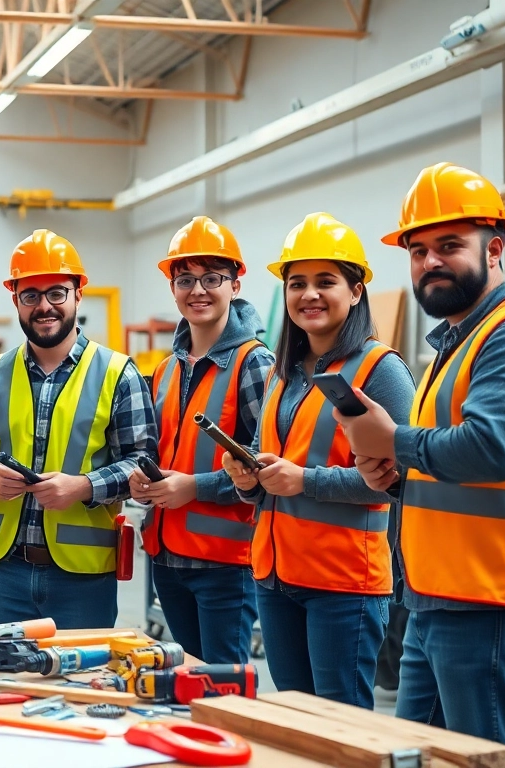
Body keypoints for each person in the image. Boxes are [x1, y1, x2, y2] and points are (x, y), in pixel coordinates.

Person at [338, 163, 505, 768]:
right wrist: (397, 480)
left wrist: (395, 441)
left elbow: (490, 451)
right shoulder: (458, 342)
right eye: (418, 249)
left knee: (479, 759)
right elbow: (448, 461)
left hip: (493, 599)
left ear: (495, 247)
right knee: (423, 758)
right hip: (439, 596)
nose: (430, 262)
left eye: (449, 245)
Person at [221, 212, 415, 709]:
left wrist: (302, 480)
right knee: (296, 718)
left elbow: (398, 481)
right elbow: (274, 481)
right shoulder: (282, 374)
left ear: (355, 291)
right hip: (276, 576)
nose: (309, 294)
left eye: (325, 282)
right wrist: (248, 479)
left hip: (343, 581)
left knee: (342, 721)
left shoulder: (381, 370)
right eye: (297, 283)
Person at [0, 229, 156, 629]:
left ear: (78, 294)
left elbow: (143, 463)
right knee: (1, 685)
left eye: (56, 293)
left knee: (83, 685)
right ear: (16, 301)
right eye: (31, 296)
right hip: (1, 575)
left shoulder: (118, 374)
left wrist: (83, 487)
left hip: (83, 579)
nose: (44, 306)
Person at [129, 217, 272, 664]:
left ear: (235, 282)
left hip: (225, 563)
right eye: (185, 279)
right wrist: (144, 481)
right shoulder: (167, 369)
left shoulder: (255, 364)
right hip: (167, 558)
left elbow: (265, 470)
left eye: (212, 279)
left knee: (225, 688)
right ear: (172, 287)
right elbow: (160, 450)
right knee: (187, 682)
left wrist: (193, 487)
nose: (198, 291)